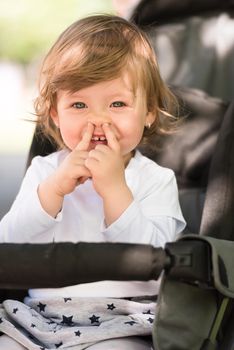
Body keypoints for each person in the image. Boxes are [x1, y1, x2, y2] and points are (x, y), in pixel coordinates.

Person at [0, 14, 185, 350]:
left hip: (125, 323)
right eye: (79, 104)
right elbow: (9, 246)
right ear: (55, 113)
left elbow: (159, 263)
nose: (98, 120)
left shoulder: (156, 180)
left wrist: (115, 189)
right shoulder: (45, 172)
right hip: (38, 318)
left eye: (117, 104)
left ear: (148, 112)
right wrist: (54, 190)